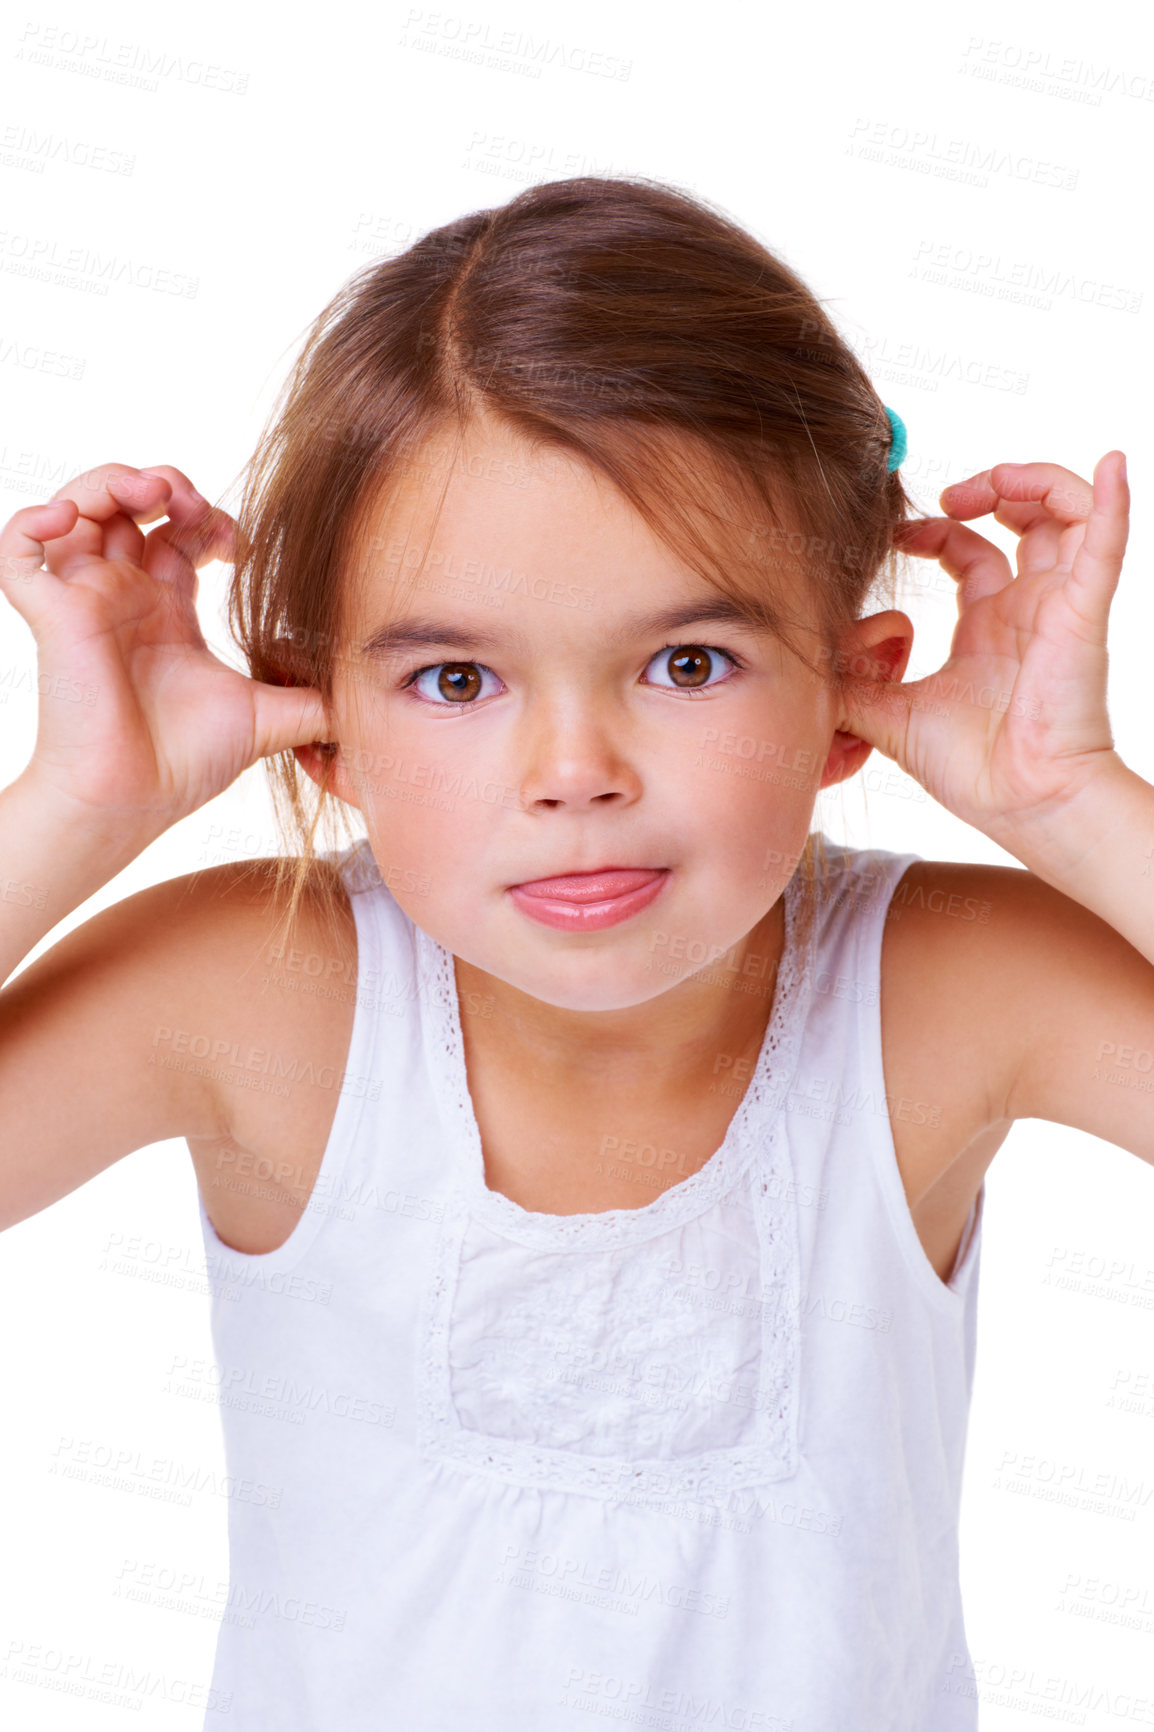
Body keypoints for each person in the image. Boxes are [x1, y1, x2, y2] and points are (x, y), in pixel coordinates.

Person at [0, 175, 1150, 1730]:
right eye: (457, 679)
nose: (572, 770)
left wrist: (1072, 802)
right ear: (321, 717)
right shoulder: (264, 995)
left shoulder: (946, 990)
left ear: (847, 692)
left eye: (686, 663)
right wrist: (71, 807)